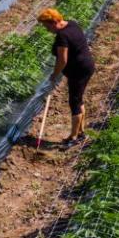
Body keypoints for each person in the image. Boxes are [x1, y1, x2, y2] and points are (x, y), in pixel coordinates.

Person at [37, 8, 95, 143]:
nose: (46, 29)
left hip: (78, 71)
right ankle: (81, 132)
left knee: (74, 102)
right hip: (87, 66)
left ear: (53, 22)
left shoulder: (62, 36)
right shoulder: (72, 24)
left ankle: (73, 137)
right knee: (79, 100)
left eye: (46, 26)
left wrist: (54, 74)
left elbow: (62, 60)